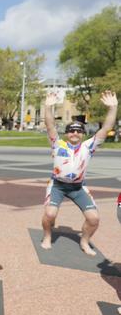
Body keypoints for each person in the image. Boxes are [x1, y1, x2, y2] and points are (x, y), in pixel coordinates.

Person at [41, 90, 118, 256]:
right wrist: (48, 107)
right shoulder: (58, 144)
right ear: (67, 133)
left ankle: (84, 241)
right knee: (50, 213)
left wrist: (113, 108)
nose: (75, 133)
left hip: (78, 188)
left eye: (78, 131)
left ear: (83, 134)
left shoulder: (88, 146)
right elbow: (49, 125)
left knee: (94, 219)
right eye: (71, 130)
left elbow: (106, 128)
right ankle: (47, 236)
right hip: (57, 185)